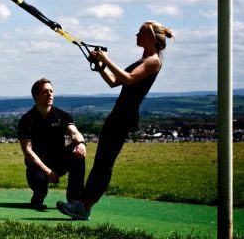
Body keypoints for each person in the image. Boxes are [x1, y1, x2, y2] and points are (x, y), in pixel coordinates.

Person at [57, 21, 174, 220]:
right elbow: (114, 81)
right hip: (118, 115)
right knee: (101, 162)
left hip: (124, 117)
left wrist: (106, 58)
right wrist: (100, 64)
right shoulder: (143, 59)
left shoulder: (153, 61)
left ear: (152, 38)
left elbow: (128, 79)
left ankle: (84, 207)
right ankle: (82, 204)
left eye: (141, 32)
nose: (136, 35)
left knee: (104, 164)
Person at [17, 78, 87, 210]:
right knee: (40, 184)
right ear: (35, 95)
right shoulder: (26, 120)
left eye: (51, 91)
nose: (49, 94)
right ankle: (38, 196)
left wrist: (82, 144)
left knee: (77, 151)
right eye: (45, 92)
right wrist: (47, 171)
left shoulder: (62, 115)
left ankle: (74, 201)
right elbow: (27, 151)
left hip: (58, 162)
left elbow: (74, 133)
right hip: (37, 167)